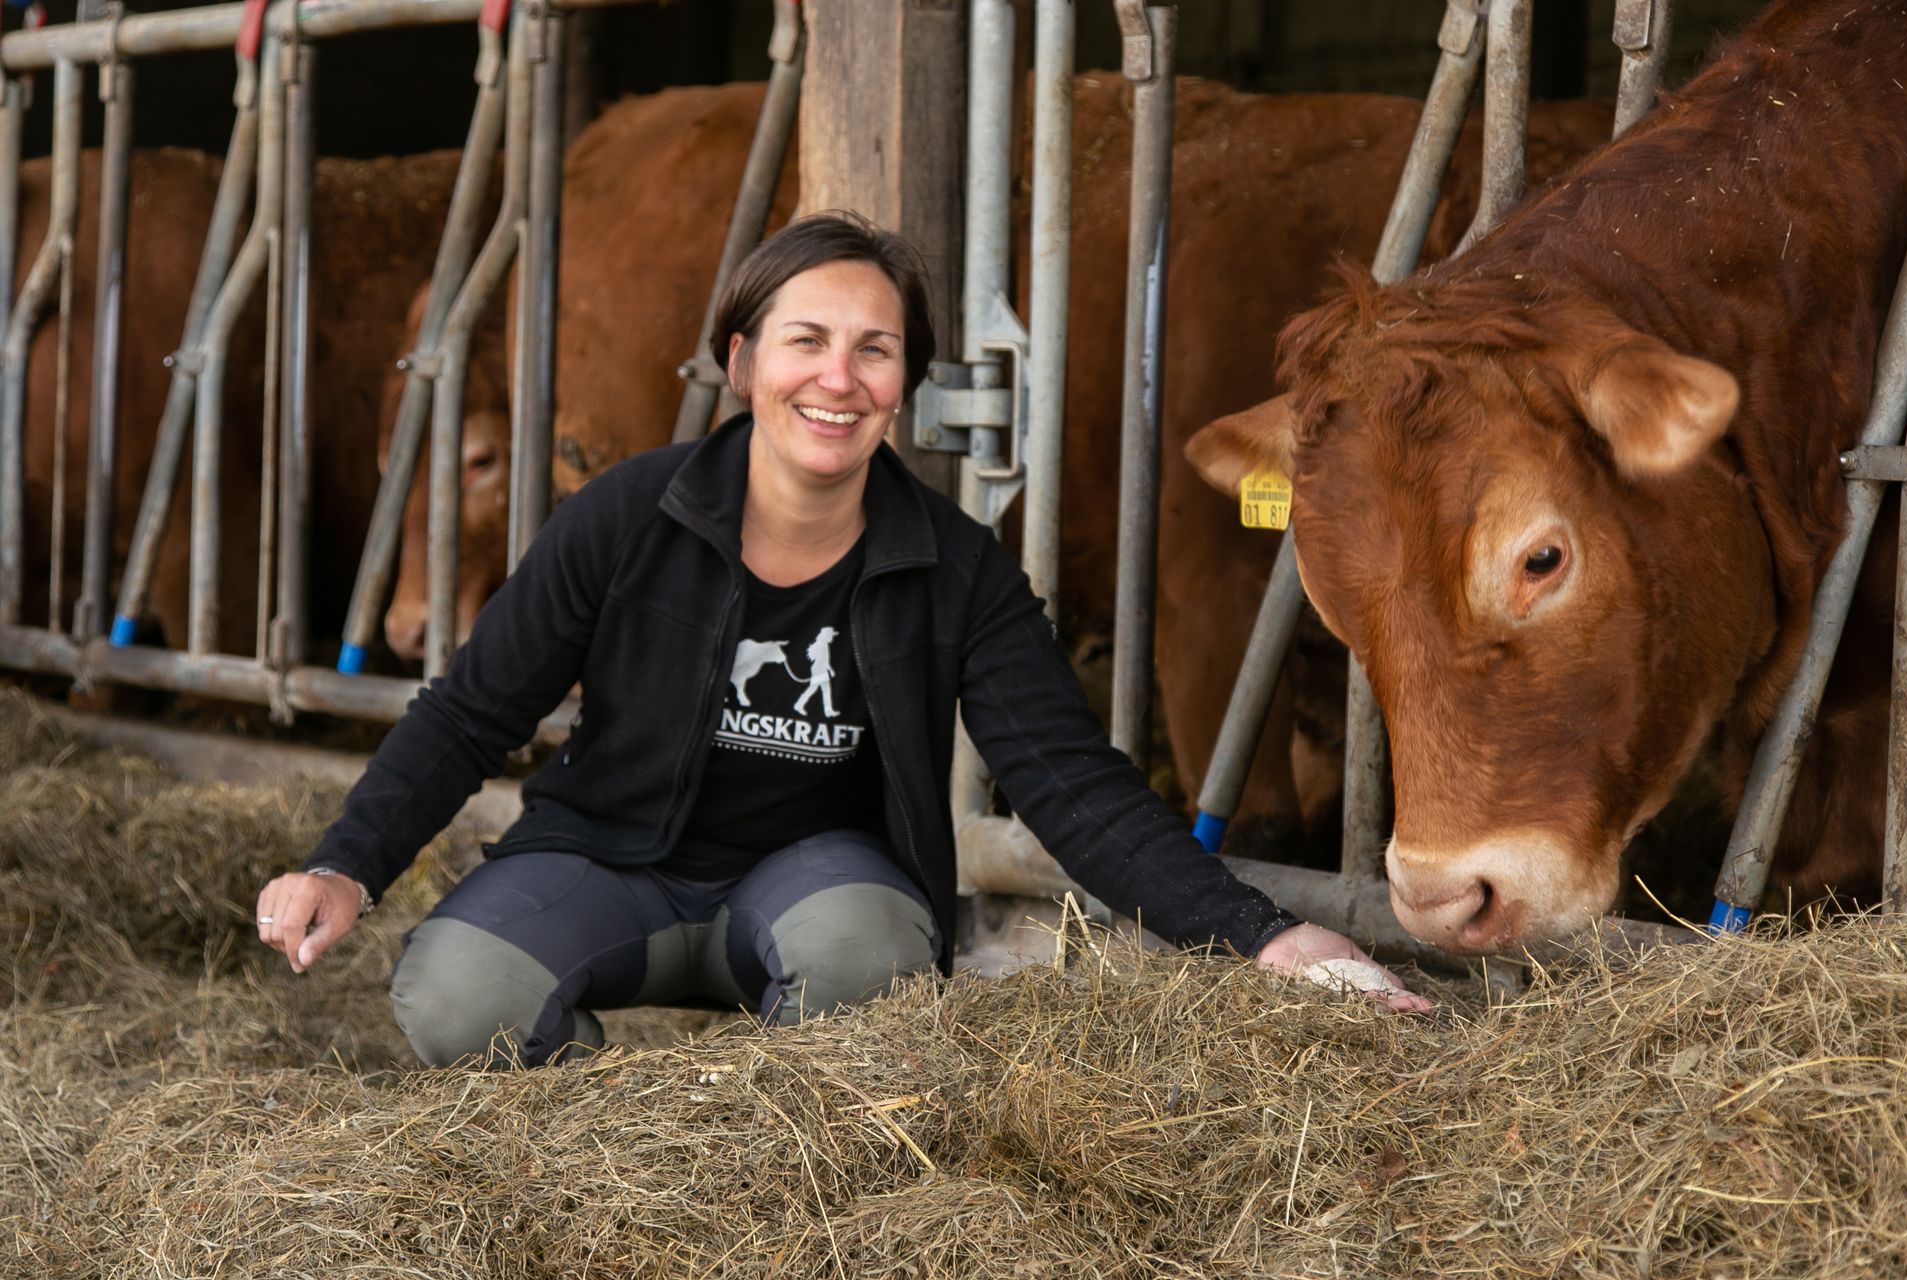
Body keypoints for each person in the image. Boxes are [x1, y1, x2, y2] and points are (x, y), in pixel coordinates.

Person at [255, 212, 1426, 1068]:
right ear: (744, 361)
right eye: (805, 339)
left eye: (874, 350)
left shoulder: (953, 565)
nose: (838, 376)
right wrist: (347, 859)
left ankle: (787, 1138)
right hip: (609, 862)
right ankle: (602, 1141)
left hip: (817, 883)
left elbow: (1072, 785)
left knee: (868, 956)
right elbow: (472, 709)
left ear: (905, 382)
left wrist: (1265, 936)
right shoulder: (627, 513)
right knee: (457, 995)